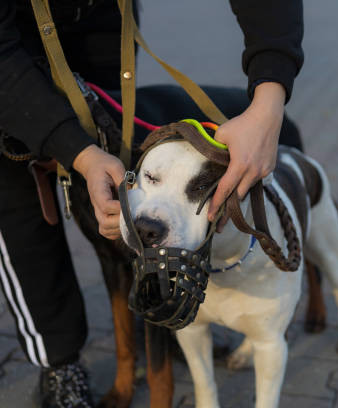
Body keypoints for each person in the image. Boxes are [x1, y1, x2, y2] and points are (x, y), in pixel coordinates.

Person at [0, 0, 303, 406]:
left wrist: (269, 102)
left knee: (141, 252)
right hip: (12, 38)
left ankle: (174, 337)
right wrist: (81, 154)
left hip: (101, 23)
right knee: (24, 213)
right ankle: (60, 362)